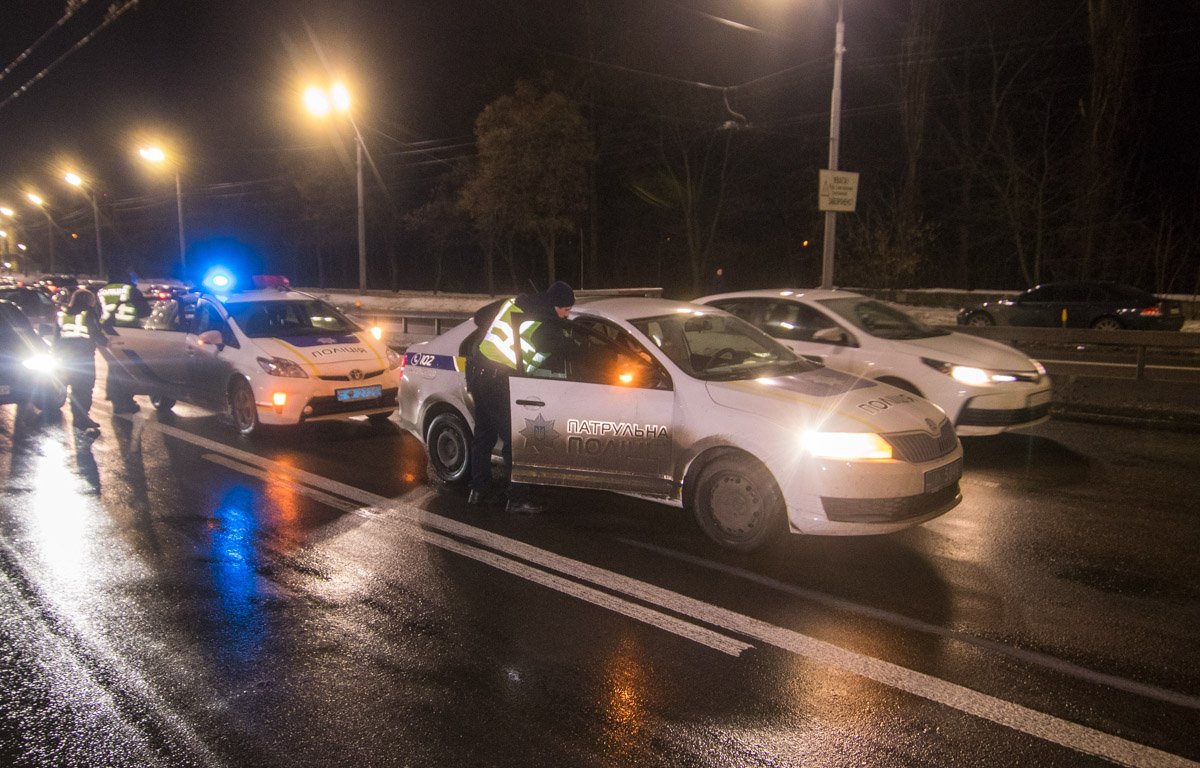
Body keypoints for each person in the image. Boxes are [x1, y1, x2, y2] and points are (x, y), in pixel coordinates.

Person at [466, 280, 576, 514]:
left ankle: (479, 491)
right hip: (497, 381)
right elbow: (567, 351)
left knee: (483, 436)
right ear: (555, 305)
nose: (567, 315)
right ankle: (517, 499)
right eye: (566, 310)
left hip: (479, 372)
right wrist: (570, 336)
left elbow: (481, 319)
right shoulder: (545, 326)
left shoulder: (514, 303)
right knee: (514, 442)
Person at [97, 269, 151, 413]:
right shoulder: (130, 290)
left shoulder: (102, 291)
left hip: (107, 331)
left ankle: (115, 397)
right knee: (128, 367)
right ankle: (124, 401)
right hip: (126, 331)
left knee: (114, 365)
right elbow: (145, 311)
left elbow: (97, 311)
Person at [55, 288, 107, 433]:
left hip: (64, 358)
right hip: (83, 358)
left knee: (69, 387)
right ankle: (81, 418)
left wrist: (55, 354)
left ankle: (77, 418)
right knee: (84, 389)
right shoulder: (88, 313)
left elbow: (56, 336)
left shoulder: (62, 314)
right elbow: (96, 333)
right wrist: (106, 342)